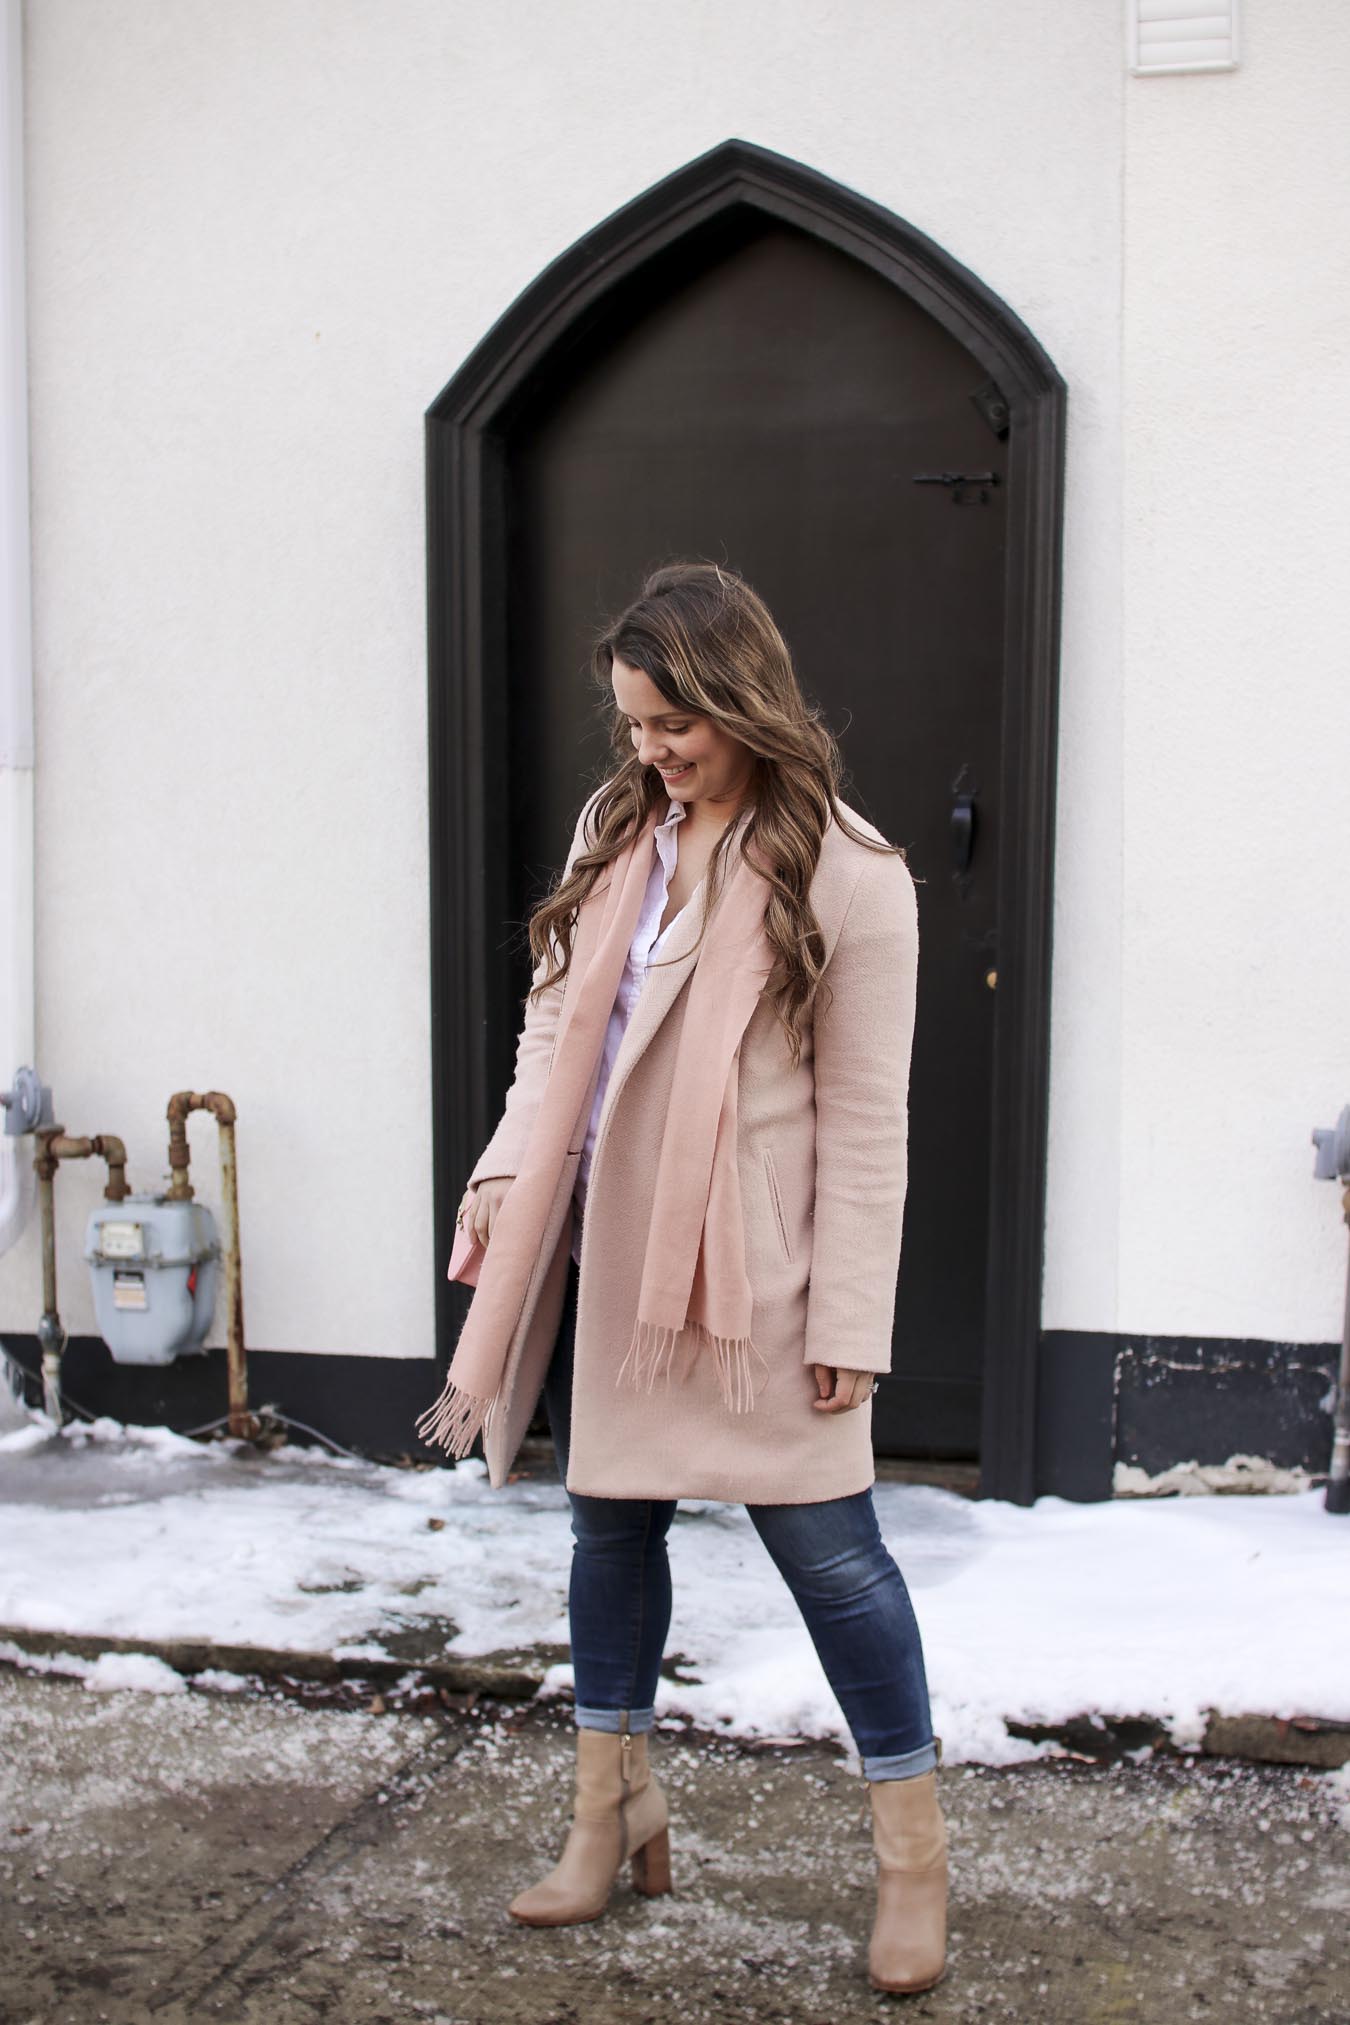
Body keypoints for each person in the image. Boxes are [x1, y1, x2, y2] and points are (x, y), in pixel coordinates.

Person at [417, 561, 946, 1995]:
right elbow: (553, 1035)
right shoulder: (618, 833)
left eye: (673, 725)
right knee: (608, 1537)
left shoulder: (852, 871)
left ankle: (911, 1858)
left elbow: (866, 1119)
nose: (650, 752)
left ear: (736, 696)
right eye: (633, 725)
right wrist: (508, 1171)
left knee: (835, 1563)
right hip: (619, 1255)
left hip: (758, 1286)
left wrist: (849, 1315)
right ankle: (612, 1808)